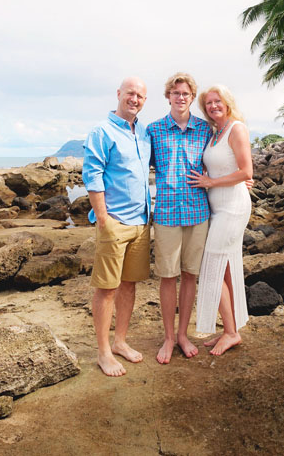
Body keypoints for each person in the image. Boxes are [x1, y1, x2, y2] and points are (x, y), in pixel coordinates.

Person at [82, 77, 151, 377]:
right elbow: (93, 175)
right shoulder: (102, 131)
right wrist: (104, 220)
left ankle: (120, 341)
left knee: (129, 285)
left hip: (140, 223)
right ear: (119, 94)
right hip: (114, 223)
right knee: (107, 289)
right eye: (130, 94)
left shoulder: (144, 133)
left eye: (140, 96)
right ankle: (104, 352)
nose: (134, 99)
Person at [146, 73, 212, 364]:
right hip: (167, 215)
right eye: (175, 93)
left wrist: (240, 181)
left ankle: (183, 334)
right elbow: (136, 165)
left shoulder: (204, 129)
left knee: (190, 275)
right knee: (167, 276)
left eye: (185, 93)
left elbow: (223, 160)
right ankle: (169, 338)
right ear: (168, 97)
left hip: (198, 212)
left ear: (191, 96)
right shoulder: (154, 130)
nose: (181, 97)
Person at [188, 84, 253, 356]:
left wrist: (212, 182)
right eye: (208, 103)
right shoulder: (215, 133)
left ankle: (230, 332)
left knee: (211, 269)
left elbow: (246, 170)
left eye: (217, 101)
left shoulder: (236, 128)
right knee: (225, 269)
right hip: (217, 208)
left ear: (227, 102)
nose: (213, 106)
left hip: (233, 208)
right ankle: (232, 328)